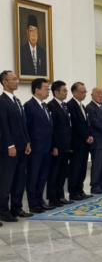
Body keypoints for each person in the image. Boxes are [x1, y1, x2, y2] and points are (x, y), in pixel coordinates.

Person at [0, 70, 32, 223]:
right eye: (13, 79)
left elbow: (22, 124)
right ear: (5, 82)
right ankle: (3, 210)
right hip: (10, 148)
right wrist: (10, 145)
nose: (17, 81)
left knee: (20, 179)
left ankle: (17, 207)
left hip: (21, 146)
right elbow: (4, 126)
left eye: (17, 78)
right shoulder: (2, 101)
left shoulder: (17, 100)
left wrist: (27, 141)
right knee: (7, 180)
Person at [24, 78, 55, 213]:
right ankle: (33, 203)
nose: (48, 91)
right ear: (37, 90)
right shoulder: (29, 106)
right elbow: (27, 127)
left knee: (43, 176)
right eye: (46, 88)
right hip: (35, 148)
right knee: (33, 176)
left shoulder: (45, 106)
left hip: (46, 147)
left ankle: (40, 200)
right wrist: (29, 143)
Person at [47, 81, 74, 207]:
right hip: (57, 145)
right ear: (56, 92)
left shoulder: (65, 106)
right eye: (64, 90)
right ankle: (52, 197)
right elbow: (52, 129)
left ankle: (60, 195)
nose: (66, 93)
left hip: (66, 145)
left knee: (63, 171)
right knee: (55, 172)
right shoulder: (51, 106)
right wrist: (54, 145)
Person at [67, 82, 93, 201]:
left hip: (85, 142)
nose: (85, 94)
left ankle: (80, 189)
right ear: (75, 92)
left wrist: (90, 135)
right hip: (77, 142)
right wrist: (85, 136)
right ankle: (73, 192)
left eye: (85, 92)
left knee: (82, 168)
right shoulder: (70, 105)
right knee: (75, 168)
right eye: (82, 92)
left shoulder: (82, 105)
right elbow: (76, 124)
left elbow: (86, 123)